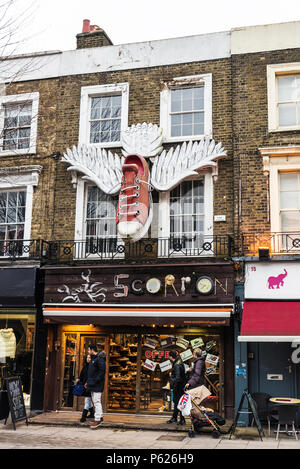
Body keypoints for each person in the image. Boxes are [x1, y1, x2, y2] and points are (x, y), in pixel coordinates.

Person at [86, 344, 106, 429]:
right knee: (95, 401)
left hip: (97, 384)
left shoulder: (99, 359)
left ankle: (97, 419)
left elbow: (102, 372)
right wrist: (88, 382)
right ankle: (100, 416)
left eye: (88, 350)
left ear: (92, 350)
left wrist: (95, 381)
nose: (88, 351)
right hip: (93, 383)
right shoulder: (94, 359)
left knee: (97, 401)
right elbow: (92, 372)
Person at [166, 350, 186, 425]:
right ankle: (176, 418)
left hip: (178, 387)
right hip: (181, 386)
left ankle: (181, 419)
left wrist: (171, 377)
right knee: (178, 402)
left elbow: (178, 377)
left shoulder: (176, 365)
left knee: (178, 402)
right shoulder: (179, 362)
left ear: (171, 357)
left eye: (169, 356)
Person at [76, 354, 94, 423]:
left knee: (87, 401)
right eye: (87, 357)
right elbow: (82, 374)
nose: (88, 359)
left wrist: (87, 382)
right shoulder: (85, 366)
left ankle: (83, 417)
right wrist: (79, 379)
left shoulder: (92, 367)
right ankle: (92, 413)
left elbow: (91, 377)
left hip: (89, 386)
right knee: (88, 400)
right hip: (84, 385)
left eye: (89, 357)